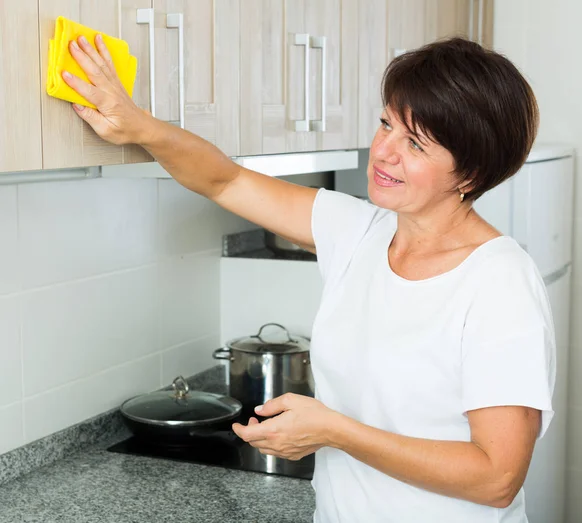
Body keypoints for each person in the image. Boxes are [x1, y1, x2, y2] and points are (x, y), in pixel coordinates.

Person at [63, 34, 554, 523]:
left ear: (470, 173)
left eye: (415, 143)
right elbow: (225, 179)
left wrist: (334, 431)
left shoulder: (500, 283)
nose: (383, 152)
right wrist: (139, 125)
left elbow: (496, 478)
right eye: (386, 124)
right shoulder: (358, 232)